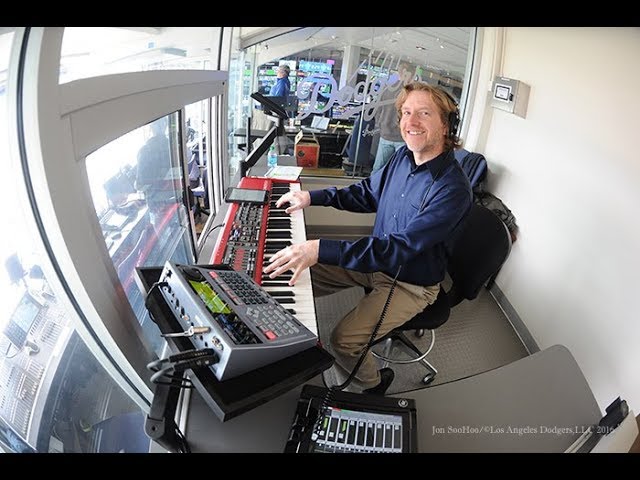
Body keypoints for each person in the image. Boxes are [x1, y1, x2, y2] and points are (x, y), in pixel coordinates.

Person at [263, 82, 472, 395]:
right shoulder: (403, 157)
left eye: (424, 113)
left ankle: (374, 385)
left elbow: (399, 248)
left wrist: (320, 247)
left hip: (410, 283)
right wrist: (311, 197)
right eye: (406, 112)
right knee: (290, 273)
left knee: (344, 340)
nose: (410, 122)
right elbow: (364, 194)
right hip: (376, 262)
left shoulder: (452, 190)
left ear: (445, 124)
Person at [371, 66, 409, 172]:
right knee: (399, 171)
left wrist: (381, 124)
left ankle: (373, 188)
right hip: (402, 138)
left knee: (378, 169)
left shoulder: (387, 88)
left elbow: (377, 110)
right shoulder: (410, 93)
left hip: (386, 134)